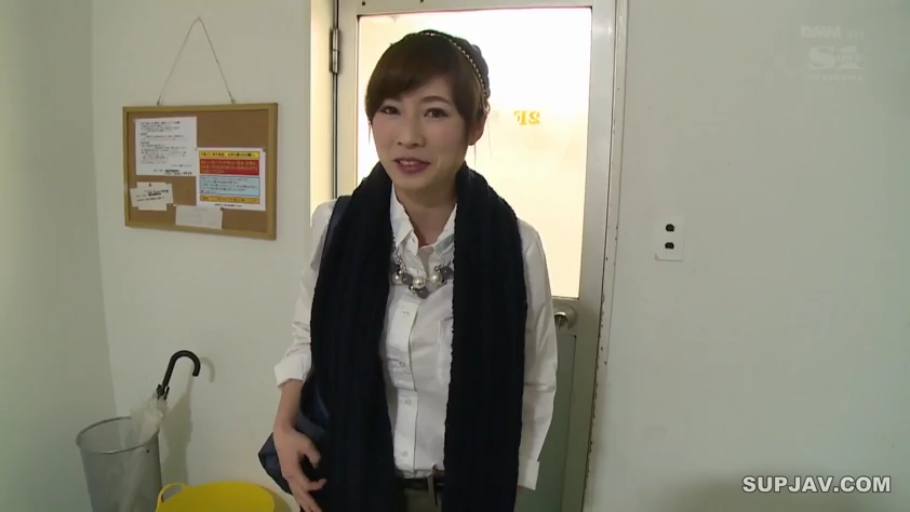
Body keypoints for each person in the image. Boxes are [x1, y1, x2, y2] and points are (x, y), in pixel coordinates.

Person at [270, 29, 558, 512]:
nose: (408, 135)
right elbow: (306, 337)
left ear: (476, 124)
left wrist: (505, 487)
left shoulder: (516, 246)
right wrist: (283, 426)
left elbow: (535, 380)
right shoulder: (335, 226)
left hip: (461, 495)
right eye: (390, 109)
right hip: (346, 482)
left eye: (435, 112)